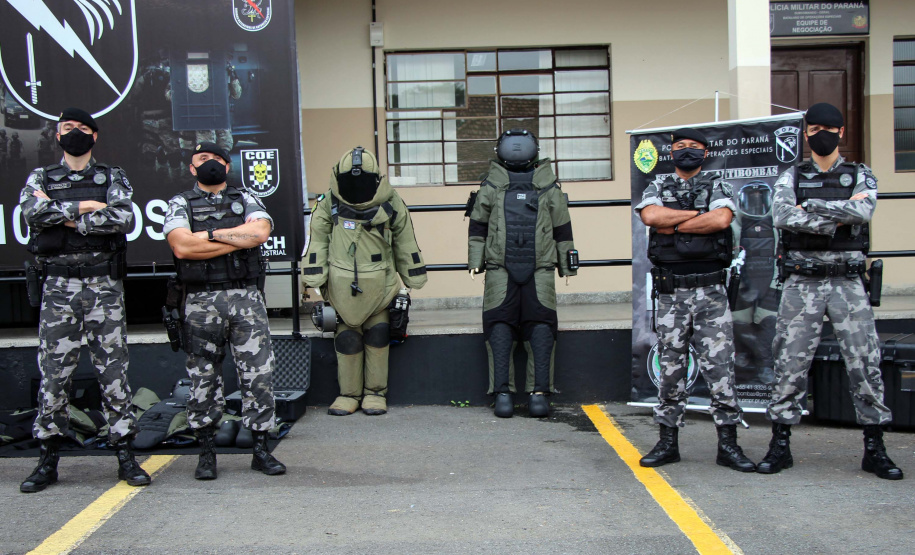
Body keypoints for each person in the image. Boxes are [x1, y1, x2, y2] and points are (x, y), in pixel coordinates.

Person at [759, 103, 903, 480]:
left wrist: (813, 206)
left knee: (864, 364)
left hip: (847, 282)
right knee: (789, 364)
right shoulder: (792, 175)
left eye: (828, 127)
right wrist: (836, 214)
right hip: (801, 281)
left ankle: (875, 448)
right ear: (805, 134)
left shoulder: (860, 173)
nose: (820, 134)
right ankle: (780, 445)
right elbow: (782, 216)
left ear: (841, 133)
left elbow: (863, 212)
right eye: (813, 128)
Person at [19, 107, 150, 493]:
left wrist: (64, 217)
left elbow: (123, 218)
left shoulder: (112, 176)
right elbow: (32, 213)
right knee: (54, 375)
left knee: (113, 373)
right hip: (58, 287)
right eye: (66, 128)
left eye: (80, 128)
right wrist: (86, 208)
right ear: (56, 135)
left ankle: (125, 454)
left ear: (94, 135)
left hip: (102, 286)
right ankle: (47, 460)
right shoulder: (40, 177)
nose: (73, 133)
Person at [634, 127, 755, 472]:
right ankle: (668, 443)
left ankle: (728, 445)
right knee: (671, 369)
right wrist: (697, 217)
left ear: (705, 152)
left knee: (721, 370)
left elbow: (722, 219)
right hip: (672, 292)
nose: (687, 151)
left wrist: (675, 224)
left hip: (711, 294)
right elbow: (651, 217)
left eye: (694, 146)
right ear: (671, 152)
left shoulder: (718, 185)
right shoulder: (657, 187)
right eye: (680, 146)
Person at [164, 142, 285, 479]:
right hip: (201, 303)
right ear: (192, 168)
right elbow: (181, 246)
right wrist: (233, 237)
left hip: (246, 300)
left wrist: (210, 235)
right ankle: (206, 454)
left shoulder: (246, 197)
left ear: (227, 166)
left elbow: (259, 232)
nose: (210, 164)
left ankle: (261, 451)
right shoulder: (180, 203)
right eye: (203, 159)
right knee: (203, 379)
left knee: (258, 377)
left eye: (217, 159)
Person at [301, 147, 427, 416]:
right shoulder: (329, 203)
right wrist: (314, 276)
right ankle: (348, 394)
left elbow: (405, 242)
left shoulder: (391, 202)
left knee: (378, 336)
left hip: (380, 285)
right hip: (341, 286)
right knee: (347, 339)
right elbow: (318, 240)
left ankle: (375, 393)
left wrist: (412, 275)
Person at [466, 129, 576, 419]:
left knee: (540, 328)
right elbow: (478, 227)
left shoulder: (545, 186)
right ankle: (506, 392)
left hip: (537, 270)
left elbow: (562, 229)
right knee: (500, 327)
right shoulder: (497, 186)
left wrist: (567, 265)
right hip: (502, 269)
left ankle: (535, 392)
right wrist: (475, 261)